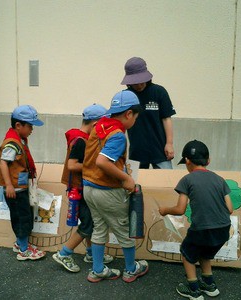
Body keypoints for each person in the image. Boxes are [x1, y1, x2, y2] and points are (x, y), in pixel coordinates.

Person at [82, 90, 149, 283]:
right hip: (107, 191)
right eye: (135, 117)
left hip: (89, 188)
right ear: (129, 114)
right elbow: (103, 162)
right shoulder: (118, 135)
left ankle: (97, 270)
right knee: (124, 229)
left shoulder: (99, 125)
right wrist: (126, 179)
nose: (135, 121)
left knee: (99, 228)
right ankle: (130, 269)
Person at [159, 140, 233, 300]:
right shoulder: (220, 179)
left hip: (201, 229)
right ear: (208, 161)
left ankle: (193, 289)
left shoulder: (187, 180)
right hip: (223, 229)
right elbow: (230, 209)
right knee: (205, 253)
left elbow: (179, 209)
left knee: (187, 253)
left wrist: (165, 210)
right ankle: (209, 284)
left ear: (187, 161)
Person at [53, 103, 114, 272]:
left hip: (81, 188)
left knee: (91, 222)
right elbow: (72, 165)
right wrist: (95, 166)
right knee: (88, 224)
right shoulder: (81, 141)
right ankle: (64, 253)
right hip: (79, 190)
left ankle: (90, 253)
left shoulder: (82, 138)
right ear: (95, 124)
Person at [0, 105, 46, 261]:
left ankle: (20, 243)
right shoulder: (12, 143)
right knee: (22, 218)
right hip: (15, 190)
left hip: (21, 187)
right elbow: (4, 163)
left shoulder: (21, 140)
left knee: (23, 216)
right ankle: (24, 250)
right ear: (18, 125)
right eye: (30, 126)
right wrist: (9, 185)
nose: (32, 129)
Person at [121, 57, 176, 169]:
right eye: (135, 83)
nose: (139, 85)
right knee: (134, 185)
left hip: (160, 149)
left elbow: (166, 118)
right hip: (136, 151)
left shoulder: (159, 92)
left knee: (166, 182)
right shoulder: (126, 96)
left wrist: (169, 143)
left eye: (141, 81)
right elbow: (121, 123)